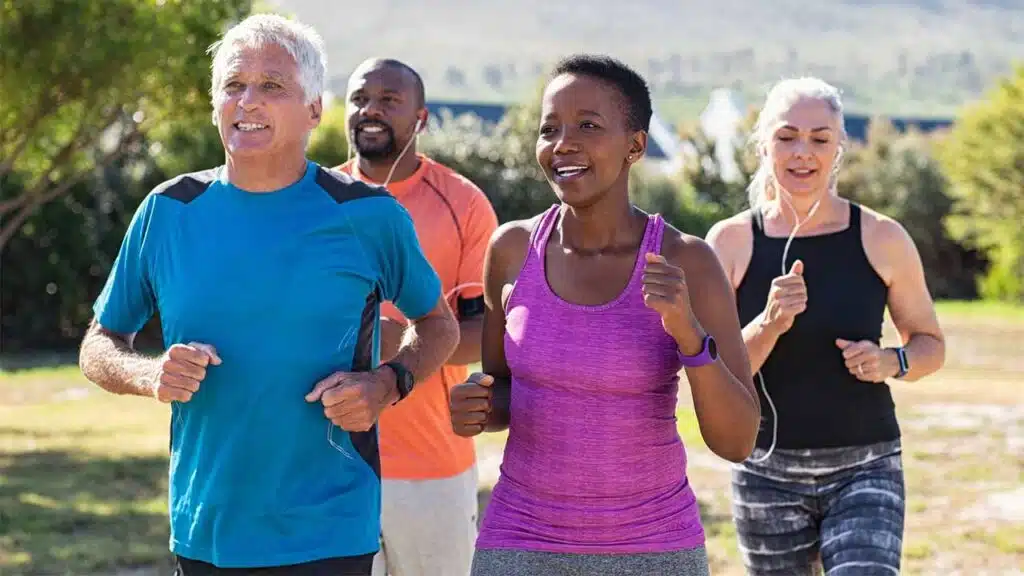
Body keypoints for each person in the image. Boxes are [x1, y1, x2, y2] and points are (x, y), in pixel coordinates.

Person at [77, 14, 459, 576]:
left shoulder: (368, 215)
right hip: (205, 528)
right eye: (233, 85)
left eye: (272, 86)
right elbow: (98, 343)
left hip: (330, 529)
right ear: (215, 105)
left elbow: (438, 325)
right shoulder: (168, 210)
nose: (248, 101)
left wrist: (387, 382)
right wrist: (149, 373)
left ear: (314, 110)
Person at [447, 53, 761, 576]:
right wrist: (480, 406)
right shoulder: (511, 250)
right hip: (520, 541)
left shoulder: (687, 261)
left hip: (652, 548)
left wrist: (689, 334)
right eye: (549, 129)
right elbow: (504, 389)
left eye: (588, 126)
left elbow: (737, 441)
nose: (562, 143)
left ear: (635, 146)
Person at [705, 77, 946, 575]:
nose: (803, 152)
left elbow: (931, 345)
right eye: (787, 136)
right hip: (764, 472)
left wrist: (892, 361)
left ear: (838, 150)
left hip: (866, 465)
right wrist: (769, 323)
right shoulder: (729, 243)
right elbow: (714, 374)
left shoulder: (882, 238)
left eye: (820, 139)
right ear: (763, 144)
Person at [334, 57, 499, 576]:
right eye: (360, 99)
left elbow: (485, 332)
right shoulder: (313, 201)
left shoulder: (464, 203)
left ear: (421, 118)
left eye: (389, 100)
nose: (371, 110)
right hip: (327, 462)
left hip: (432, 466)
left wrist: (399, 340)